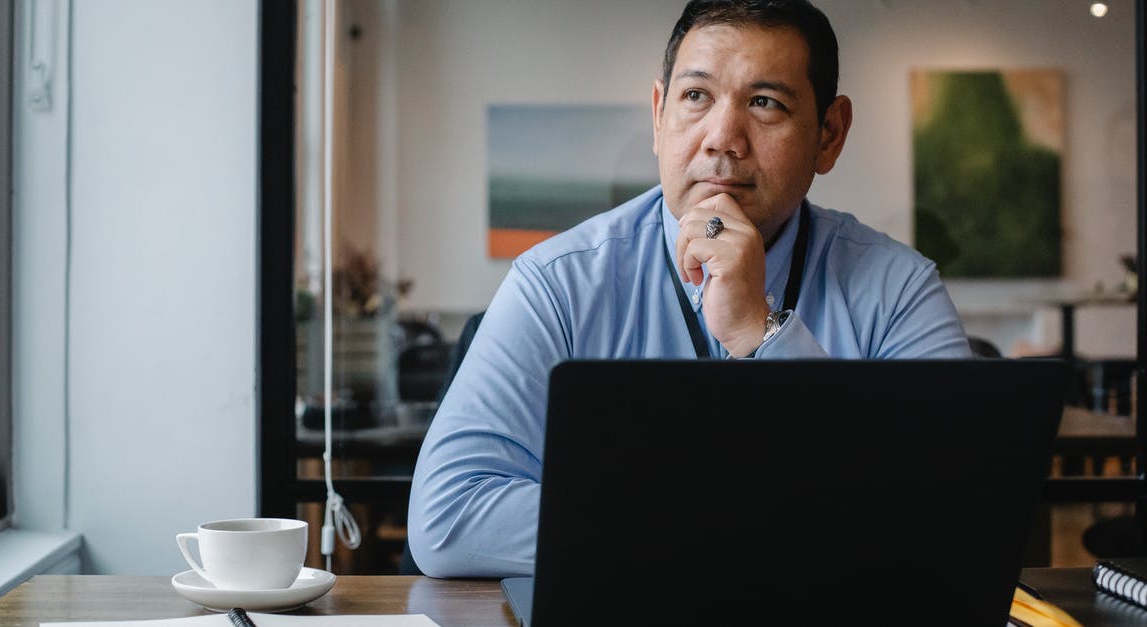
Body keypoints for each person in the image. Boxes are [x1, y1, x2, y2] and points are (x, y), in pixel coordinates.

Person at [407, 0, 972, 579]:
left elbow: (963, 520)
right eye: (696, 96)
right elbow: (447, 517)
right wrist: (730, 518)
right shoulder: (557, 282)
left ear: (829, 134)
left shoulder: (898, 287)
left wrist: (762, 331)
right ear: (659, 114)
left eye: (765, 103)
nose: (723, 139)